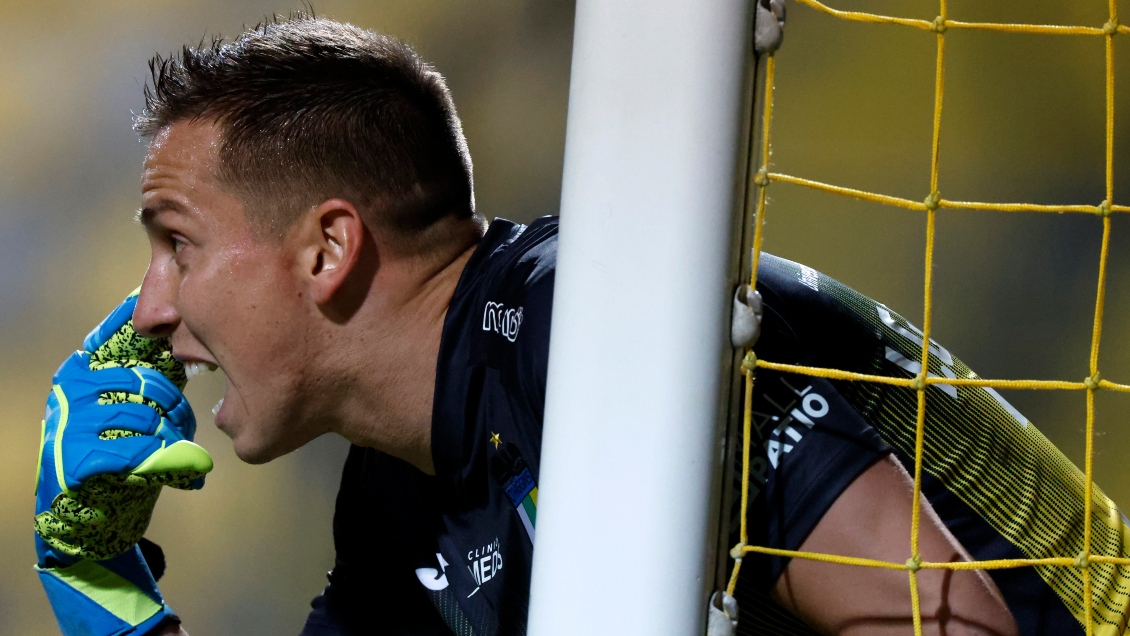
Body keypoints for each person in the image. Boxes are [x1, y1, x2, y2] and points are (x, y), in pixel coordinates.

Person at [30, 13, 1127, 636]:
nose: (150, 306)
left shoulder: (596, 326)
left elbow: (958, 634)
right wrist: (112, 597)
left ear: (328, 248)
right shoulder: (402, 494)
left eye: (176, 242)